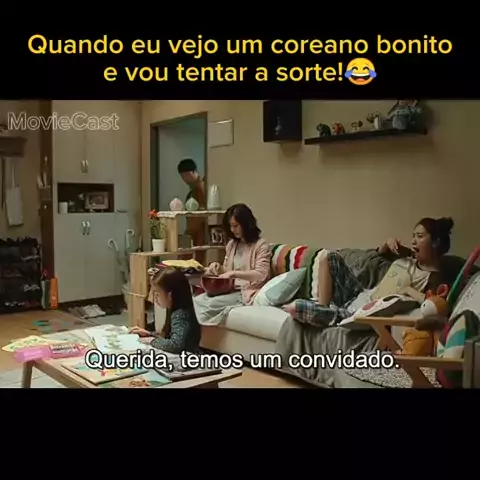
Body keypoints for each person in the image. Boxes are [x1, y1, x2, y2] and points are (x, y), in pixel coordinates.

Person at [283, 217, 458, 327]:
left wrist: (408, 290)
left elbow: (434, 305)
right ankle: (322, 309)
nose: (413, 241)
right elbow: (379, 255)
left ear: (435, 242)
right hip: (359, 294)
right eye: (413, 236)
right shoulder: (409, 257)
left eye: (420, 236)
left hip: (365, 311)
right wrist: (387, 244)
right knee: (328, 257)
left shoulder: (435, 278)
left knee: (299, 307)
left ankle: (322, 314)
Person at [194, 203, 271, 325]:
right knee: (196, 300)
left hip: (244, 291)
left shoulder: (261, 245)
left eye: (235, 226)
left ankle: (197, 332)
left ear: (246, 224)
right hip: (228, 288)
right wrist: (218, 268)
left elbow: (261, 274)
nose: (232, 230)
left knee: (209, 304)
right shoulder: (232, 245)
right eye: (230, 226)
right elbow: (226, 270)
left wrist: (234, 274)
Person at [129, 267, 201, 354]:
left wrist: (151, 340)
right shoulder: (176, 310)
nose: (155, 298)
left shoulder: (181, 315)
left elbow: (175, 345)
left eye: (157, 293)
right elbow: (170, 338)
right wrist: (149, 334)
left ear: (170, 295)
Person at [177, 159, 207, 264]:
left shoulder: (202, 188)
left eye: (187, 175)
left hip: (200, 231)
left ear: (194, 172)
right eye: (182, 176)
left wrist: (189, 233)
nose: (185, 179)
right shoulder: (193, 191)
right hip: (193, 231)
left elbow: (199, 216)